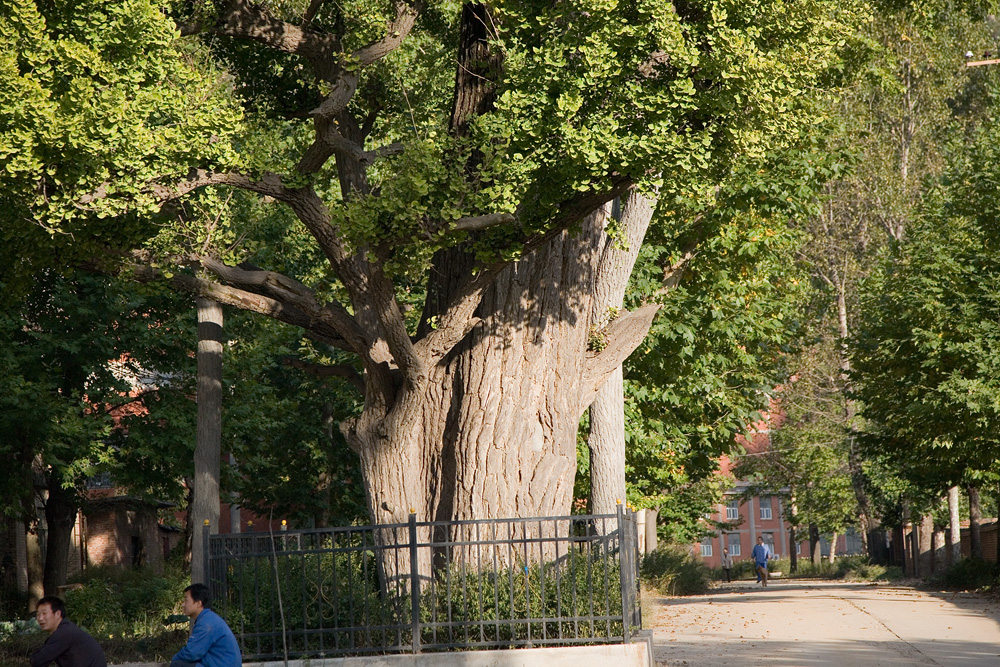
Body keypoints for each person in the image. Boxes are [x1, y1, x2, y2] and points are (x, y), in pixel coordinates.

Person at [171, 583, 241, 667]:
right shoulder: (208, 618)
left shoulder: (206, 623)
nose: (183, 604)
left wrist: (174, 659)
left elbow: (191, 653)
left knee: (177, 664)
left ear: (198, 603)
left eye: (186, 600)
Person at [30, 596, 106, 667]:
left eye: (44, 613)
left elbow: (38, 661)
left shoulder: (64, 633)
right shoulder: (66, 629)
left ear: (57, 614)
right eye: (38, 614)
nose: (40, 618)